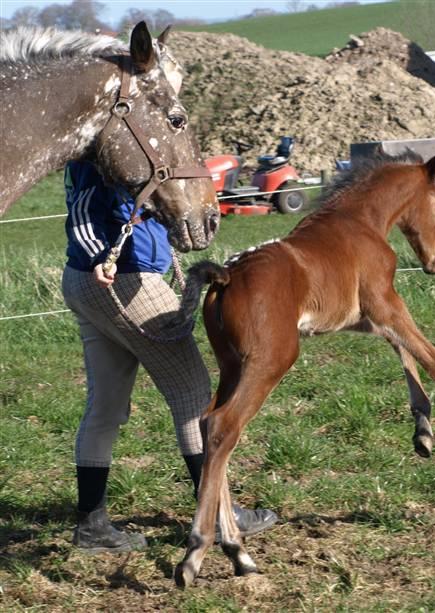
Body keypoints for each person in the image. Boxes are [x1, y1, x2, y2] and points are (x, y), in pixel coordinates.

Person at [61, 159, 278, 552]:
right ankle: (219, 513)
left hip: (96, 282)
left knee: (105, 406)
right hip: (125, 282)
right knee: (193, 395)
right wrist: (98, 255)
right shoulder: (102, 154)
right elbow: (84, 205)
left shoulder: (118, 147)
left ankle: (92, 525)